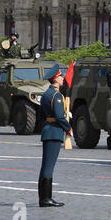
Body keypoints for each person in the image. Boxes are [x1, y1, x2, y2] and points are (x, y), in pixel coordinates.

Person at [38, 64, 72, 207]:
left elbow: (43, 114)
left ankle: (44, 198)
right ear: (56, 78)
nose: (63, 78)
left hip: (47, 129)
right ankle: (46, 199)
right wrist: (68, 128)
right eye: (61, 76)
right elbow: (59, 116)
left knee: (45, 165)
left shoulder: (46, 93)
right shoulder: (57, 95)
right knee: (49, 166)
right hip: (54, 131)